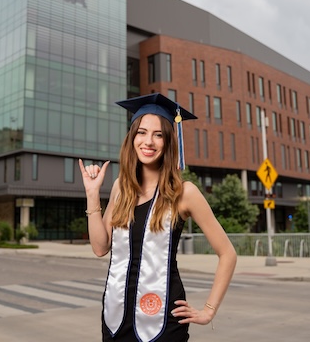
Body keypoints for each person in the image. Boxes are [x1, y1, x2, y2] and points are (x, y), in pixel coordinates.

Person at [79, 93, 237, 341]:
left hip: (163, 321)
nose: (148, 141)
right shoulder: (122, 187)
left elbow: (228, 254)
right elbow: (100, 247)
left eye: (158, 134)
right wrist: (92, 193)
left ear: (168, 142)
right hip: (116, 318)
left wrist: (208, 311)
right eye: (141, 132)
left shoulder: (185, 193)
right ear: (132, 138)